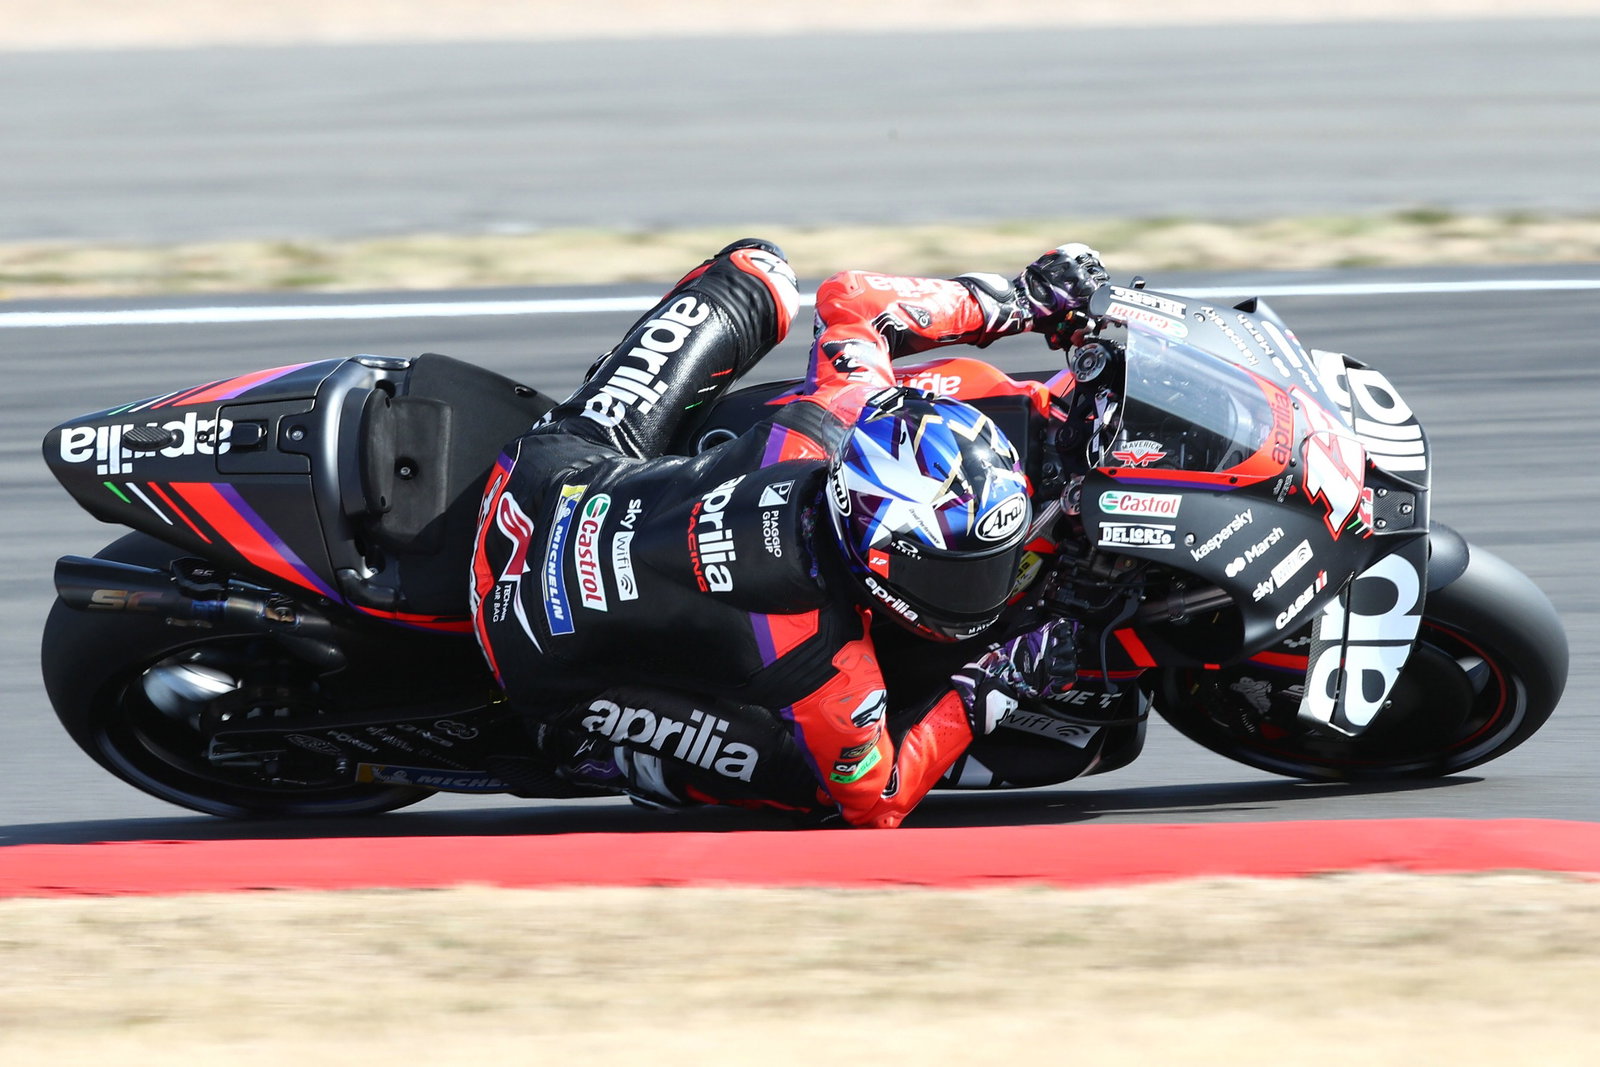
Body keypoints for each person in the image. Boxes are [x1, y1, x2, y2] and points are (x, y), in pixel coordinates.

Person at [470, 238, 1108, 828]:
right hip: (530, 649)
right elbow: (879, 796)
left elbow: (853, 300)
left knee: (759, 271)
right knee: (814, 786)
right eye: (958, 574)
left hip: (542, 476)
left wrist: (1018, 301)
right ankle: (619, 758)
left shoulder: (835, 417)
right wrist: (992, 683)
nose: (983, 587)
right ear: (878, 558)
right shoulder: (825, 665)